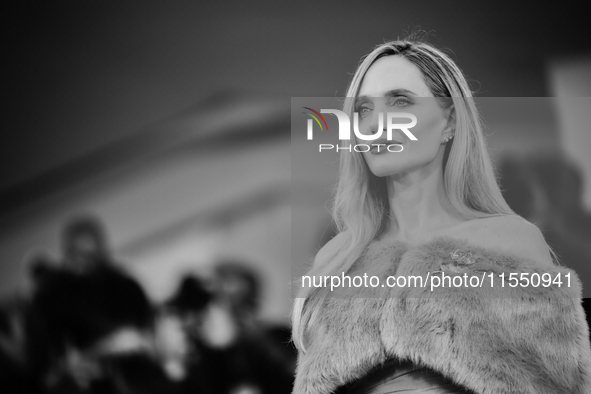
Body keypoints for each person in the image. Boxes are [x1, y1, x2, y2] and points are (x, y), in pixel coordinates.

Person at [291, 39, 591, 394]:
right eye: (362, 110)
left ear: (449, 119)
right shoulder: (337, 261)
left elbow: (556, 384)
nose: (375, 123)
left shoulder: (507, 242)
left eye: (400, 101)